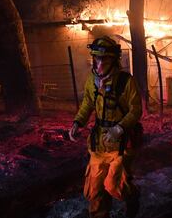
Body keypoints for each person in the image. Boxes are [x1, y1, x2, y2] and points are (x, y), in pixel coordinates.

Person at [68, 36, 142, 218]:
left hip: (121, 146)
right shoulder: (91, 81)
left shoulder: (126, 82)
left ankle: (132, 198)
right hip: (98, 144)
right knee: (95, 190)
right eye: (97, 58)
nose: (100, 63)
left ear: (114, 60)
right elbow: (87, 104)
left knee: (113, 185)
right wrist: (78, 122)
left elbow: (136, 110)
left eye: (105, 59)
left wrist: (119, 128)